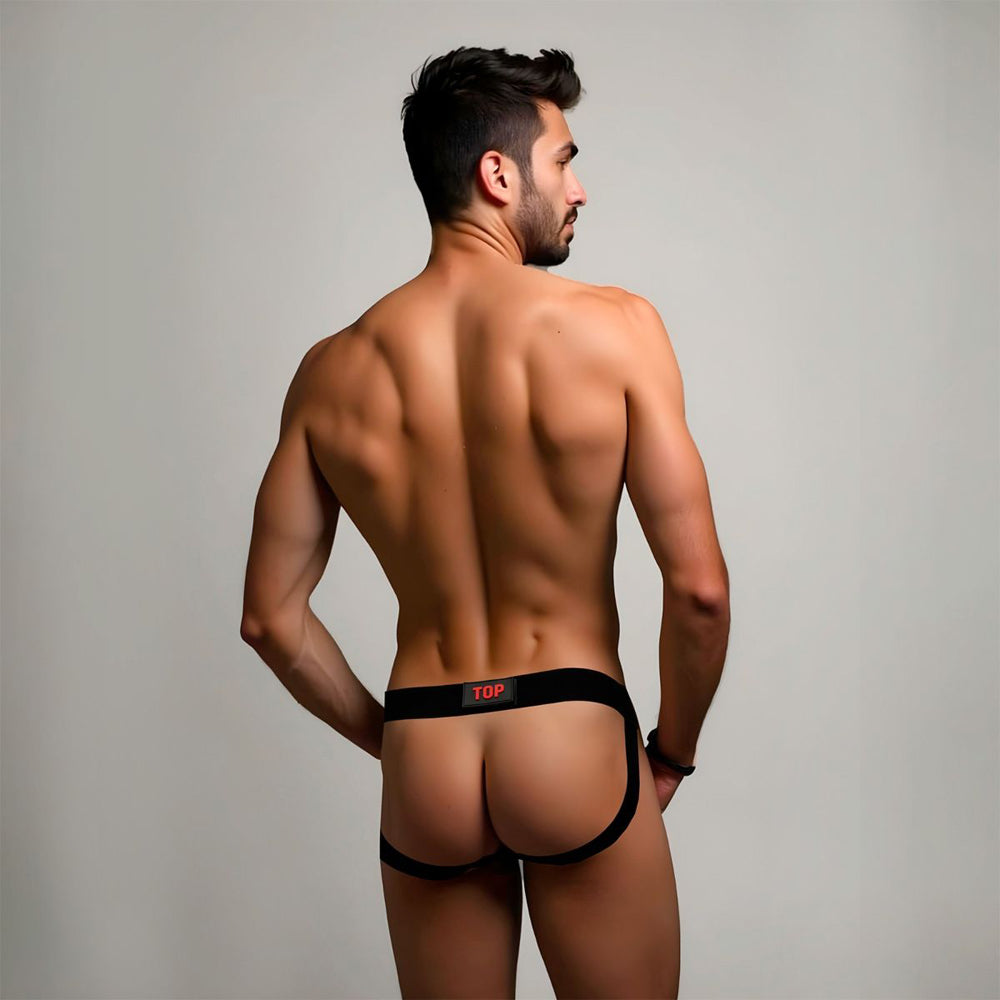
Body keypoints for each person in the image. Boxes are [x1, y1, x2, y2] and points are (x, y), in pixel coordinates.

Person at [240, 45, 730, 1000]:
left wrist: (395, 742)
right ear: (498, 175)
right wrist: (672, 751)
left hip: (427, 748)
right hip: (571, 731)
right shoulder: (618, 327)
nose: (579, 189)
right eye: (564, 160)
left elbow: (270, 619)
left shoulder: (330, 372)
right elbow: (700, 592)